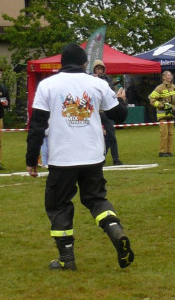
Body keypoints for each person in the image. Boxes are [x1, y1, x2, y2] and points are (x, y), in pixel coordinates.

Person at [24, 43, 134, 270]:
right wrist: (121, 99)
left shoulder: (47, 85)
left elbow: (36, 126)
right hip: (93, 155)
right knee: (96, 199)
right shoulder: (97, 83)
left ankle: (67, 258)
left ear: (62, 62)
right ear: (85, 63)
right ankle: (115, 229)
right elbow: (120, 116)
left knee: (59, 204)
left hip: (62, 157)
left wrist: (31, 159)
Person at [91, 60, 123, 165]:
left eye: (101, 69)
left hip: (106, 111)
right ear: (94, 69)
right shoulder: (91, 79)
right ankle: (98, 158)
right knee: (96, 136)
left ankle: (116, 158)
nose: (99, 71)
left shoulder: (108, 80)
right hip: (95, 112)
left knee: (112, 136)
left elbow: (110, 94)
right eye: (97, 69)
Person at [149, 70, 175, 157]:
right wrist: (161, 105)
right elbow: (152, 99)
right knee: (164, 133)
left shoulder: (174, 87)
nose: (169, 77)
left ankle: (169, 151)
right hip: (162, 114)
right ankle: (162, 152)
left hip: (171, 113)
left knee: (170, 133)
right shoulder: (159, 88)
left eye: (170, 75)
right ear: (163, 77)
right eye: (168, 75)